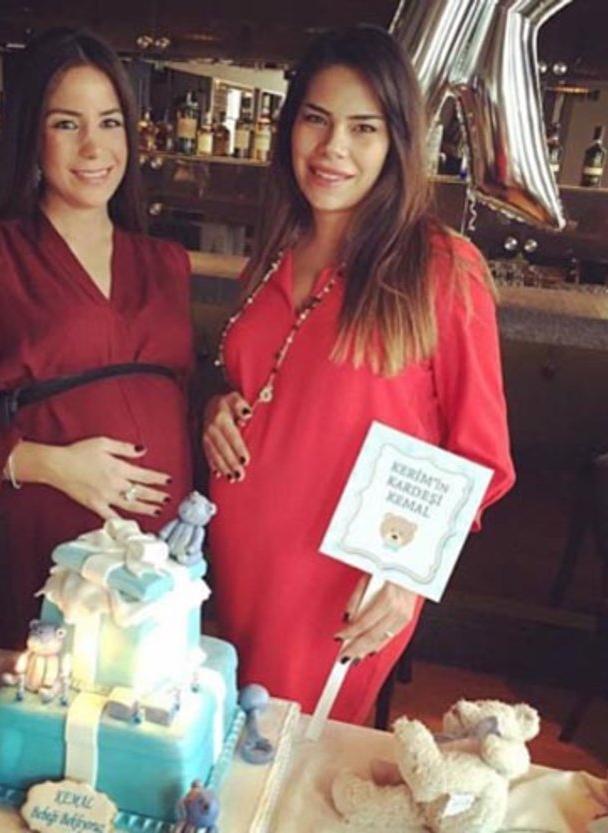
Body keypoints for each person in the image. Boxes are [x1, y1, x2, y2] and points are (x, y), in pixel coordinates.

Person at [202, 26, 515, 724]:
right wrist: (217, 408)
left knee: (293, 751)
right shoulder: (275, 252)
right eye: (316, 119)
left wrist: (407, 576)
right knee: (236, 744)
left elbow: (482, 454)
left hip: (345, 578)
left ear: (397, 142)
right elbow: (265, 380)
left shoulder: (441, 267)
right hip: (241, 556)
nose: (332, 147)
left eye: (363, 128)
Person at [0, 28, 193, 649]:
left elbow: (181, 400)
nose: (94, 147)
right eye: (67, 124)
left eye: (110, 122)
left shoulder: (165, 262)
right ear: (31, 136)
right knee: (34, 700)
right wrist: (53, 465)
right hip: (41, 546)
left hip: (157, 555)